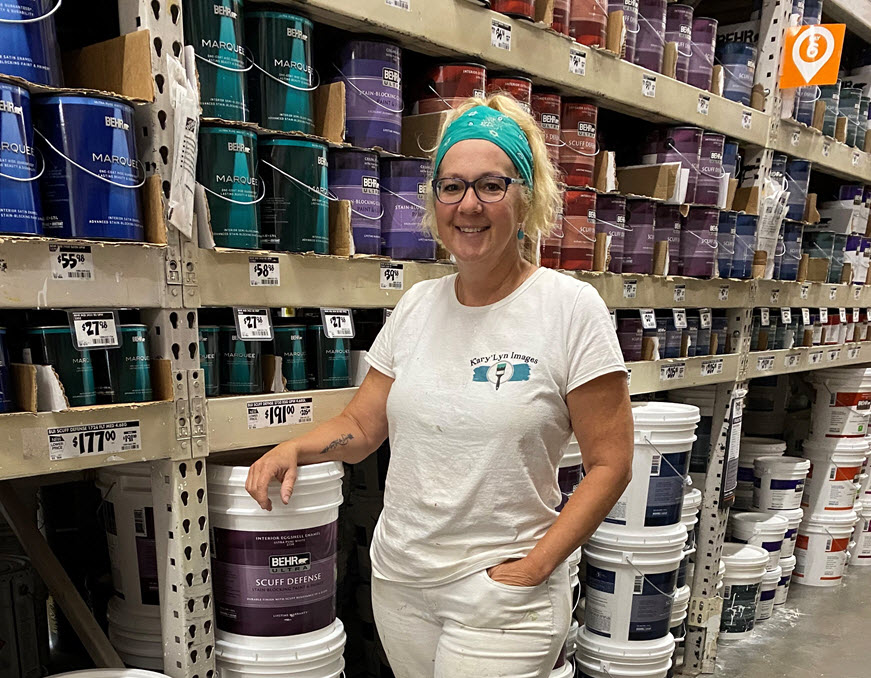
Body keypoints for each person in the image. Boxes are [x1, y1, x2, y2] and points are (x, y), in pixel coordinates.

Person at [245, 93, 634, 678]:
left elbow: (612, 462)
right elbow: (360, 426)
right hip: (402, 582)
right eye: (450, 186)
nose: (468, 205)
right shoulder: (417, 306)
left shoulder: (569, 308)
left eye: (491, 185)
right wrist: (296, 445)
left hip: (498, 595)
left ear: (524, 197)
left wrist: (539, 565)